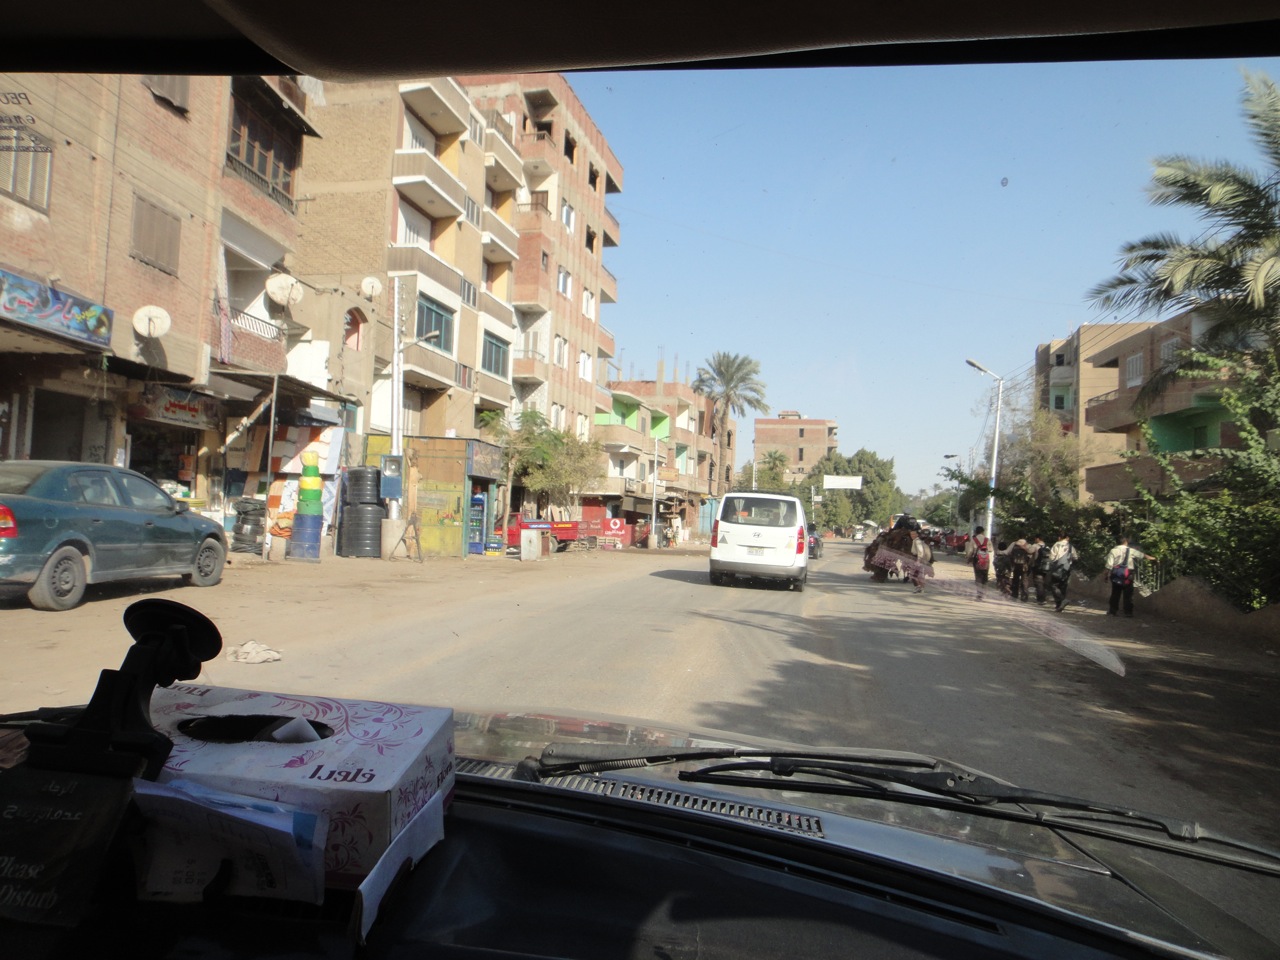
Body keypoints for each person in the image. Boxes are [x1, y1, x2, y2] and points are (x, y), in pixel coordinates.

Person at [1104, 536, 1157, 617]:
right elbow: (1143, 555)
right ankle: (1128, 612)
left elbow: (1108, 566)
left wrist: (1106, 576)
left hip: (1116, 575)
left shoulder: (1113, 551)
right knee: (1128, 594)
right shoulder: (1131, 550)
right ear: (1125, 542)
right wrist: (1154, 559)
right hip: (1128, 575)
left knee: (1115, 594)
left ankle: (1112, 611)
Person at [1047, 533, 1075, 612]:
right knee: (1063, 586)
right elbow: (1075, 557)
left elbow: (1052, 557)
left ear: (1060, 538)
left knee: (1054, 585)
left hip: (1057, 568)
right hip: (1066, 569)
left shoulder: (1057, 545)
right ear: (1067, 538)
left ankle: (1061, 602)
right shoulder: (1071, 546)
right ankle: (1060, 606)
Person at [963, 526, 994, 600]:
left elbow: (970, 551)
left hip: (977, 560)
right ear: (983, 532)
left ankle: (979, 594)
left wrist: (968, 558)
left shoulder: (974, 540)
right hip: (986, 560)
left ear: (976, 532)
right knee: (985, 576)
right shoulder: (987, 540)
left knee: (978, 576)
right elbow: (991, 550)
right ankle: (984, 592)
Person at [1004, 538, 1032, 602]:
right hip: (1024, 567)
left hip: (1015, 566)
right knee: (1024, 582)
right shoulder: (1027, 548)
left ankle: (1014, 595)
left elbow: (1008, 554)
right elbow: (1030, 556)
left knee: (1015, 580)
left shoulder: (1014, 547)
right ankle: (1024, 597)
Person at [1028, 535, 1049, 604]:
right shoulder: (1047, 547)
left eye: (1035, 539)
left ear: (1038, 539)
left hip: (1037, 567)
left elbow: (1029, 551)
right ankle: (1044, 598)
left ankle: (1040, 599)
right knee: (1043, 583)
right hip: (1046, 567)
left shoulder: (1035, 546)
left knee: (1038, 583)